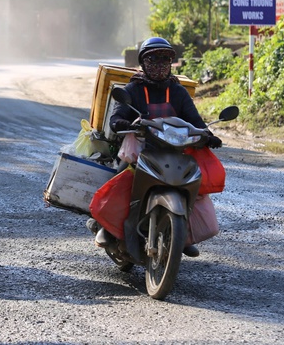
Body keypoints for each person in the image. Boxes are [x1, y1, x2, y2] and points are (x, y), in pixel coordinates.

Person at [89, 36, 222, 256]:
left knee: (192, 183)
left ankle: (182, 232)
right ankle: (106, 226)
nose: (159, 65)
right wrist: (123, 123)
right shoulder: (133, 89)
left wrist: (208, 135)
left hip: (175, 150)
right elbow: (117, 117)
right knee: (122, 178)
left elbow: (195, 121)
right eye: (153, 60)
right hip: (141, 149)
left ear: (170, 63)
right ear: (143, 63)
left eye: (164, 60)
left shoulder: (178, 91)